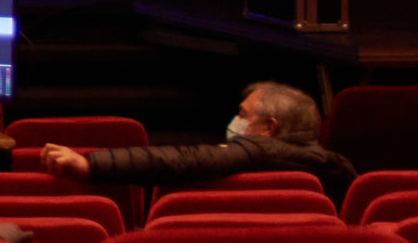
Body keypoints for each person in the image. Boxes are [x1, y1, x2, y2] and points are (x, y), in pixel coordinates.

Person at [40, 81, 356, 203]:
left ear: (269, 128)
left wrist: (90, 163)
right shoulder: (338, 169)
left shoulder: (258, 151)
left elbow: (183, 160)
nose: (236, 121)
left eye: (243, 114)